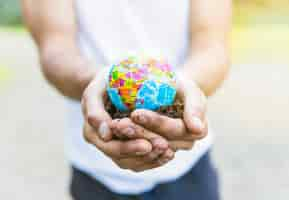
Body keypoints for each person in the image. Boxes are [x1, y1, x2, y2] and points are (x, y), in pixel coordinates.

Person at [22, 0, 231, 199]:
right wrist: (99, 85)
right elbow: (56, 49)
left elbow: (212, 46)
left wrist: (182, 90)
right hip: (94, 170)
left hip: (188, 170)